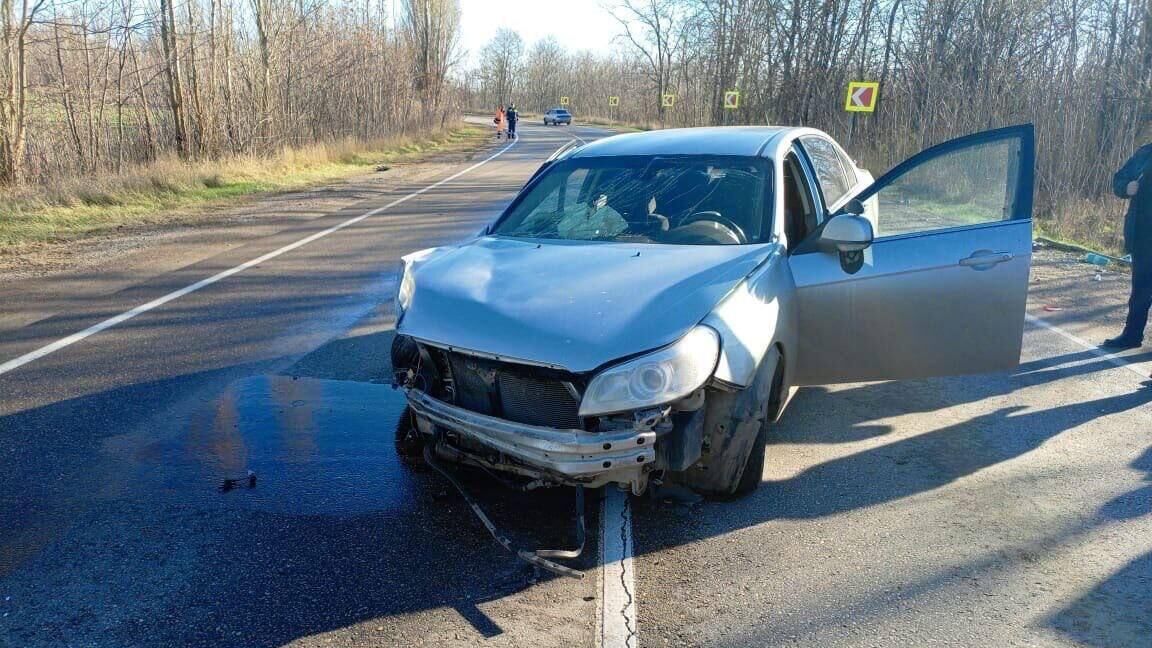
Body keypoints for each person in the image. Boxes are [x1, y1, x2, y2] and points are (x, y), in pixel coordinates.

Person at [1102, 141, 1152, 349]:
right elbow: (1119, 178)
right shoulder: (1145, 152)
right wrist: (1126, 188)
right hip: (1143, 236)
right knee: (1140, 291)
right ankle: (1132, 336)